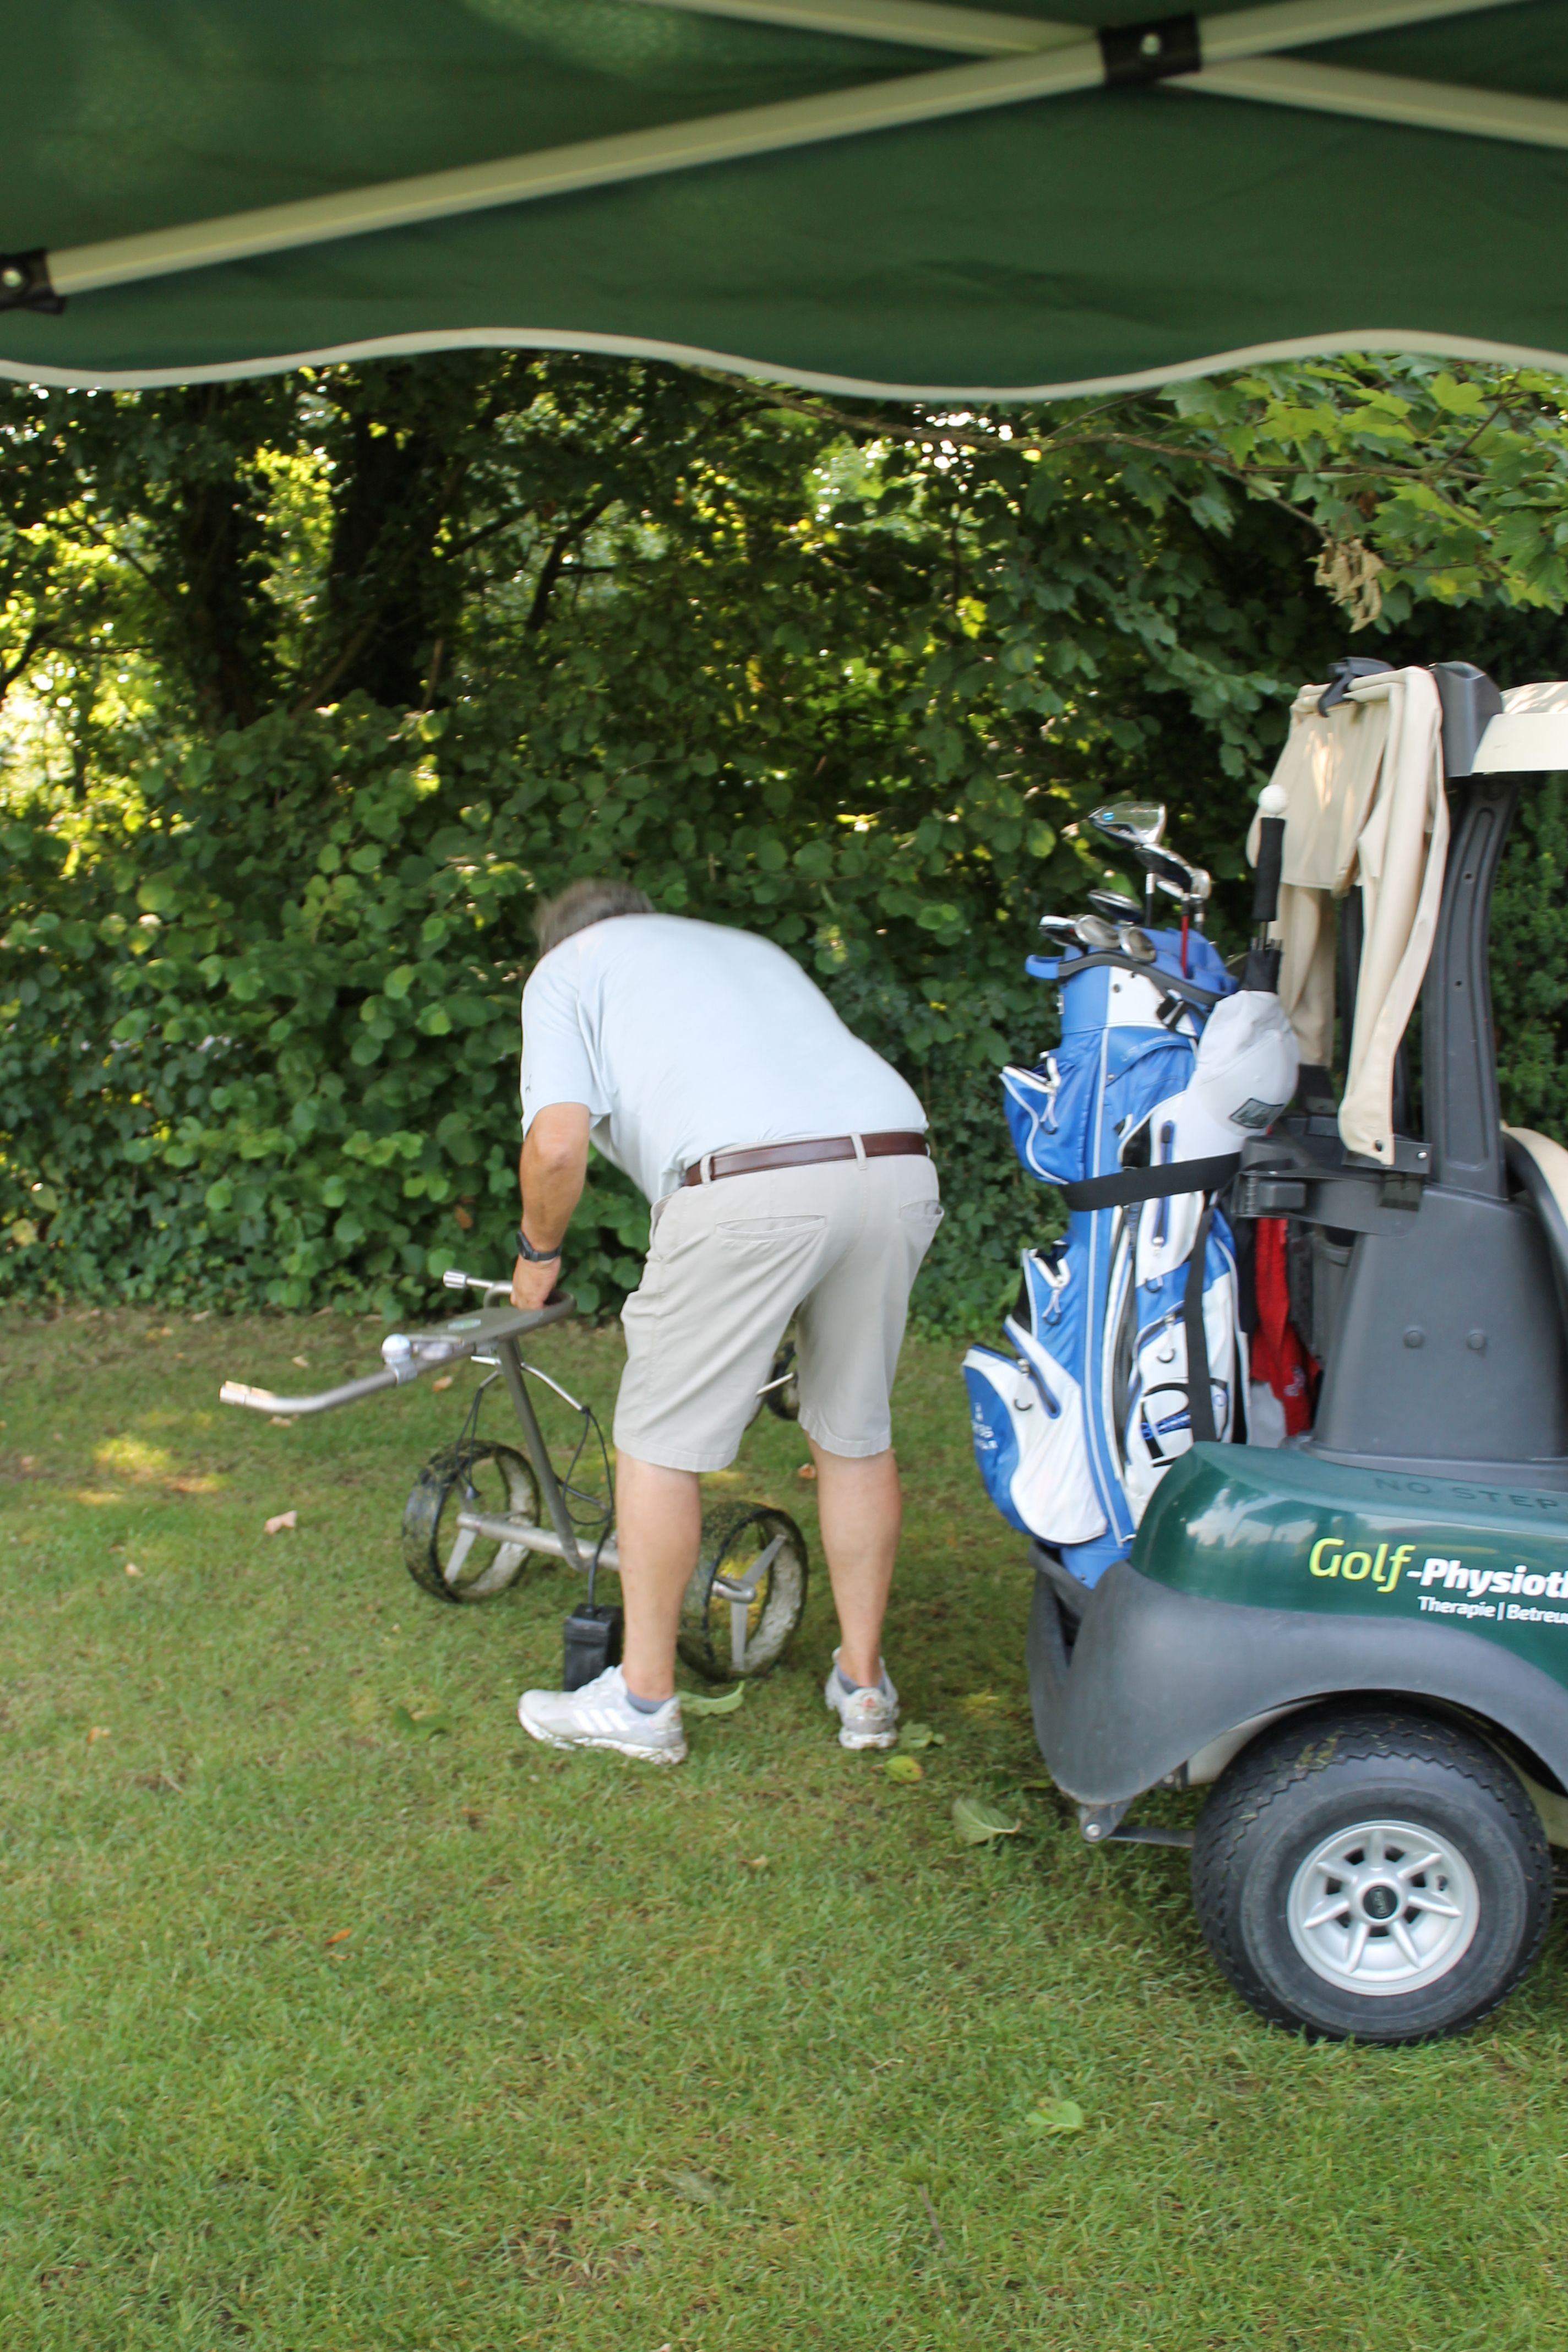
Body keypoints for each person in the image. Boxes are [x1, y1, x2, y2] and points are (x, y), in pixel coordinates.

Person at [509, 878, 942, 1765]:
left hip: (751, 1181)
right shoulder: (744, 948)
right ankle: (865, 1688)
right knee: (854, 1431)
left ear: (557, 939)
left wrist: (537, 1253)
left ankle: (643, 1702)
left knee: (658, 1441)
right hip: (900, 1164)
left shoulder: (567, 970)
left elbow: (556, 1144)